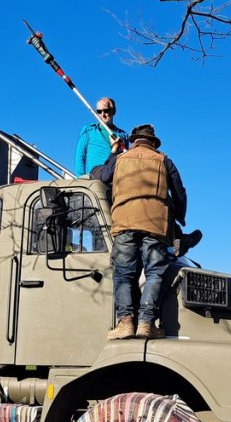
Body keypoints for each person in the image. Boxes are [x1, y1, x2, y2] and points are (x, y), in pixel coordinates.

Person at [98, 124, 186, 340]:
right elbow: (180, 192)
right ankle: (146, 323)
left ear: (134, 140)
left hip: (125, 222)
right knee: (155, 273)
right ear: (153, 143)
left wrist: (113, 152)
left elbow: (103, 177)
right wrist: (180, 218)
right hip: (155, 224)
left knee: (123, 273)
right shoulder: (164, 160)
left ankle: (126, 323)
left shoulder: (121, 159)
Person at [74, 97, 130, 178]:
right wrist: (80, 179)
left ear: (113, 111)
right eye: (99, 111)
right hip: (96, 176)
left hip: (116, 176)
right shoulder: (89, 130)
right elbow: (80, 156)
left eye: (106, 111)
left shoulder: (123, 135)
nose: (102, 114)